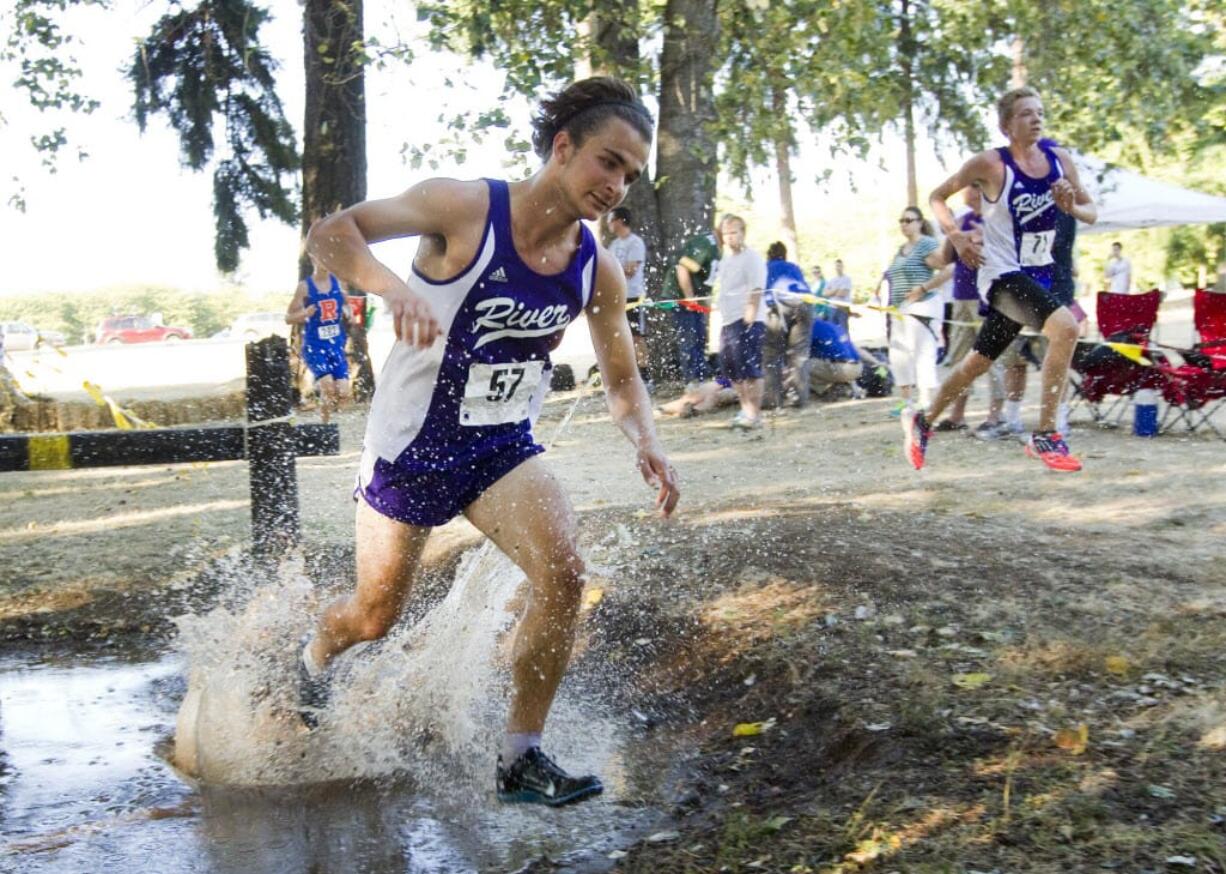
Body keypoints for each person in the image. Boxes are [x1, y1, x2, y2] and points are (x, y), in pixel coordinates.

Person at [300, 76, 681, 807]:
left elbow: (623, 378)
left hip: (499, 446)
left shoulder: (593, 267)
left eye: (630, 174)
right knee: (375, 616)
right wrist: (390, 287)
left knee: (565, 575)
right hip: (409, 446)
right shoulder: (465, 206)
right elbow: (331, 233)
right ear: (563, 147)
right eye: (609, 161)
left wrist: (647, 441)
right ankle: (312, 660)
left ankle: (521, 759)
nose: (617, 185)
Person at [903, 85, 1097, 472]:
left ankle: (922, 421)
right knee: (1067, 328)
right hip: (1000, 274)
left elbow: (1090, 211)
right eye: (1026, 113)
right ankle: (1046, 434)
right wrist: (955, 235)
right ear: (1007, 125)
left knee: (977, 361)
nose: (1036, 118)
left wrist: (1069, 205)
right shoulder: (991, 164)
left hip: (1038, 276)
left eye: (1039, 111)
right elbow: (938, 197)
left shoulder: (1060, 160)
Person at [930, 187, 1007, 435]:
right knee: (960, 356)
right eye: (967, 189)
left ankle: (996, 416)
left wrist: (981, 238)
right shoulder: (961, 221)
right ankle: (957, 414)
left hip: (988, 295)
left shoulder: (998, 218)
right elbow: (944, 259)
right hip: (961, 295)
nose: (969, 193)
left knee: (990, 357)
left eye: (975, 188)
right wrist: (952, 233)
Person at [875, 206, 945, 414]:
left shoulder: (927, 244)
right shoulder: (901, 249)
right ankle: (905, 401)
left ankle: (926, 401)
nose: (904, 224)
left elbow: (948, 269)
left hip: (922, 306)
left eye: (909, 220)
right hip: (899, 309)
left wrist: (923, 289)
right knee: (899, 355)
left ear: (920, 222)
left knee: (923, 353)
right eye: (901, 220)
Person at [285, 259, 354, 423]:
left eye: (327, 257)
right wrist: (304, 314)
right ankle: (325, 424)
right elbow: (288, 318)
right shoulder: (305, 287)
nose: (324, 261)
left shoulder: (339, 282)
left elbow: (347, 303)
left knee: (343, 392)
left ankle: (325, 408)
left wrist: (349, 312)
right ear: (313, 259)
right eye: (320, 257)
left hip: (336, 346)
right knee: (329, 387)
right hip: (314, 346)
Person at [715, 214, 767, 429]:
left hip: (746, 320)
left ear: (743, 233)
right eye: (726, 233)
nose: (730, 237)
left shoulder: (752, 258)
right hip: (728, 321)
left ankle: (754, 414)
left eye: (734, 232)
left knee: (750, 369)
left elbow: (756, 287)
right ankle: (744, 409)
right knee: (732, 368)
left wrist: (750, 314)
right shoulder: (726, 260)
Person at [660, 227, 721, 387]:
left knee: (700, 337)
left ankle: (700, 378)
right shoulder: (705, 242)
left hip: (697, 298)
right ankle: (692, 382)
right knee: (690, 338)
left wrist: (704, 302)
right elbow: (683, 267)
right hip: (681, 296)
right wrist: (689, 298)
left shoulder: (717, 249)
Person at [763, 241, 814, 408]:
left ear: (769, 255)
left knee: (772, 353)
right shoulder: (794, 267)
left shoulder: (766, 267)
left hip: (777, 306)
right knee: (800, 354)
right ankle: (801, 398)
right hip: (804, 304)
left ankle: (773, 399)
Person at [607, 207, 651, 389]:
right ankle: (625, 376)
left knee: (636, 337)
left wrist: (613, 269)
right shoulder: (613, 245)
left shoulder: (635, 243)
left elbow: (631, 270)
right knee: (618, 337)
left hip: (633, 297)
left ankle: (646, 377)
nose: (608, 223)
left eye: (611, 219)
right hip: (616, 297)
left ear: (619, 220)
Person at [808, 318, 866, 398]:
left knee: (801, 365)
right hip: (858, 368)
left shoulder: (810, 327)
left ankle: (825, 389)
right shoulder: (835, 326)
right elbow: (858, 350)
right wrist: (877, 362)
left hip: (840, 368)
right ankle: (845, 388)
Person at [823, 259, 853, 329]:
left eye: (840, 266)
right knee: (833, 330)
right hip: (832, 308)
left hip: (843, 308)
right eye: (836, 266)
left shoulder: (847, 279)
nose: (838, 268)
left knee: (843, 330)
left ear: (843, 267)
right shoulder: (831, 279)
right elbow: (825, 293)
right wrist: (837, 289)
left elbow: (842, 293)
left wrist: (831, 292)